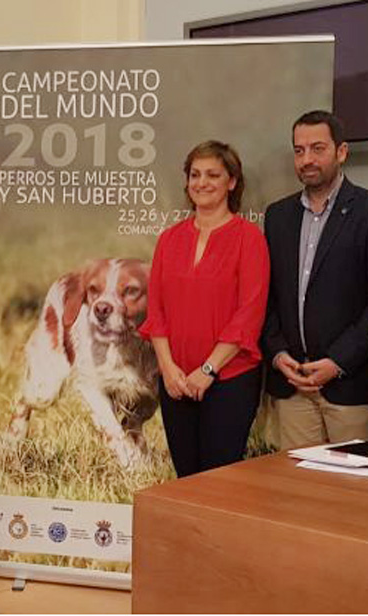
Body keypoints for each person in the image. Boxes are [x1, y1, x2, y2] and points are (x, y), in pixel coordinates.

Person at [260, 110, 368, 450]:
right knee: (295, 482)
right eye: (299, 150)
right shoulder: (278, 215)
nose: (307, 159)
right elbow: (269, 295)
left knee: (353, 483)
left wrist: (338, 362)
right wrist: (278, 353)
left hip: (350, 386)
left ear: (341, 152)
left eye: (317, 148)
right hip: (292, 385)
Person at [140, 140, 269, 477]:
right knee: (185, 479)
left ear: (232, 181)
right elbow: (156, 311)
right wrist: (168, 368)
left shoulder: (249, 238)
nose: (202, 182)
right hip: (176, 380)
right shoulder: (169, 239)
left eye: (213, 174)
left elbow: (249, 314)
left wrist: (208, 370)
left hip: (228, 379)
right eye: (195, 174)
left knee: (217, 482)